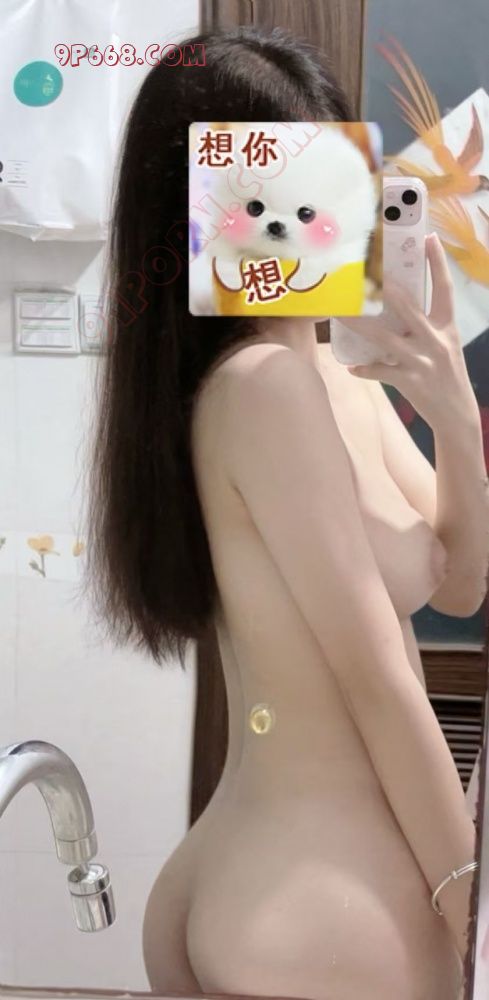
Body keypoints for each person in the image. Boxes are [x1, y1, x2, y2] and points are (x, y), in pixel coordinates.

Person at [84, 24, 489, 1000]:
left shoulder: (338, 376)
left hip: (301, 878)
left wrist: (454, 413)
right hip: (323, 902)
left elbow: (460, 587)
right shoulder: (265, 386)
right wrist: (469, 906)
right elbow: (376, 678)